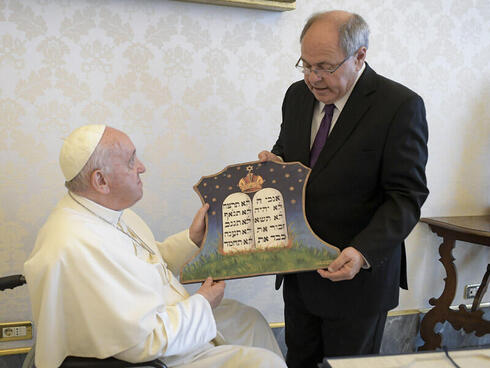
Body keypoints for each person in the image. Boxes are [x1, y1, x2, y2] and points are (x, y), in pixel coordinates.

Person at [24, 125, 286, 368]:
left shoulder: (107, 211)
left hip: (165, 323)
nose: (142, 167)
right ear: (101, 181)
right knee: (265, 363)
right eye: (131, 162)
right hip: (152, 357)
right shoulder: (77, 247)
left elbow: (148, 263)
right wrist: (203, 302)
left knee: (249, 320)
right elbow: (143, 342)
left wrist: (192, 239)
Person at [258, 10, 429, 368]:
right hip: (300, 271)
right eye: (305, 65)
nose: (313, 78)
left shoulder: (399, 106)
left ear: (359, 56)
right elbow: (287, 152)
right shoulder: (297, 96)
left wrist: (363, 252)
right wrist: (274, 168)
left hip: (357, 280)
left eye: (324, 67)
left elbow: (406, 196)